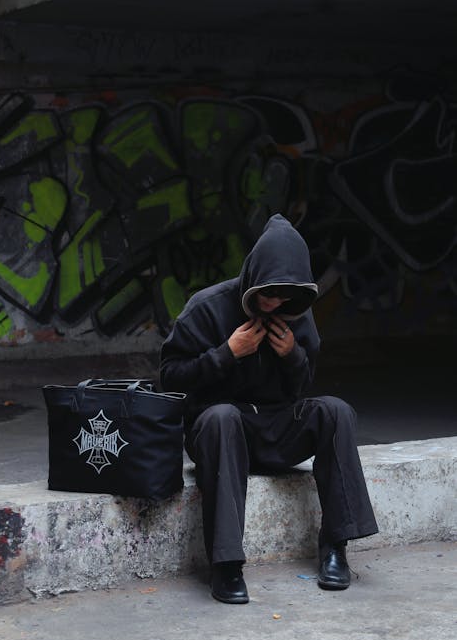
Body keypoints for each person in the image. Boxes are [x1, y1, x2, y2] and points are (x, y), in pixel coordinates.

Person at [160, 214, 378, 604]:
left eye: (284, 296)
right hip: (221, 433)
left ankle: (335, 547)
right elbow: (170, 377)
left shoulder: (298, 314)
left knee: (336, 411)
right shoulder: (207, 307)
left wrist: (292, 356)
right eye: (267, 294)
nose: (274, 303)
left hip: (276, 428)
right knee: (222, 415)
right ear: (252, 278)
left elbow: (301, 385)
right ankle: (225, 565)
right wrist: (226, 354)